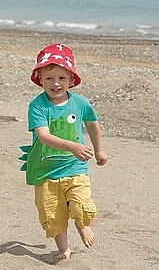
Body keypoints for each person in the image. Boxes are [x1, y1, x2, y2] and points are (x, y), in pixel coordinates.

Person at [20, 43, 108, 261]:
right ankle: (64, 249)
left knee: (79, 201)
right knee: (54, 213)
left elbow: (92, 124)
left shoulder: (80, 103)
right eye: (49, 78)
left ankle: (82, 225)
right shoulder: (37, 106)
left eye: (62, 78)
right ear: (39, 78)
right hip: (45, 169)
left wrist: (99, 151)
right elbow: (44, 136)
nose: (56, 84)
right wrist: (73, 146)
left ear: (71, 79)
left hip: (74, 165)